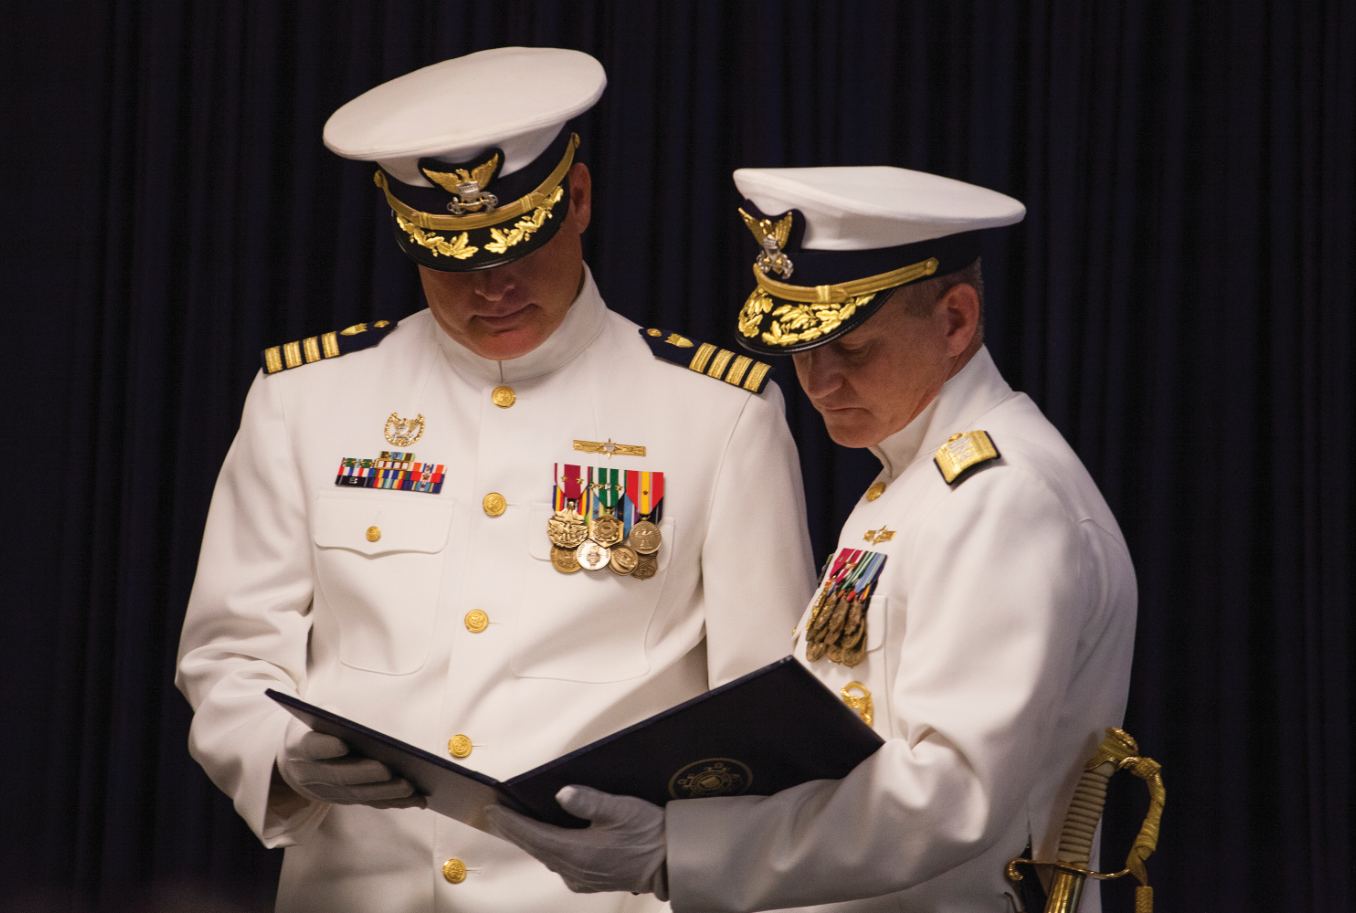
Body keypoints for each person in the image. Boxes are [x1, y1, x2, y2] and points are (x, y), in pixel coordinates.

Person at [175, 48, 815, 913]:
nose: (492, 288)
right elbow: (228, 652)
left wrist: (686, 859)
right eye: (452, 260)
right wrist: (278, 755)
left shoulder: (718, 415)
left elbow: (761, 706)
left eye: (517, 247)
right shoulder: (306, 400)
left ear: (578, 199)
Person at [486, 166, 1138, 913]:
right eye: (801, 348)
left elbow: (951, 791)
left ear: (956, 320)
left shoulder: (1003, 495)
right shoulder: (916, 476)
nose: (819, 382)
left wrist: (684, 847)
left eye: (852, 349)